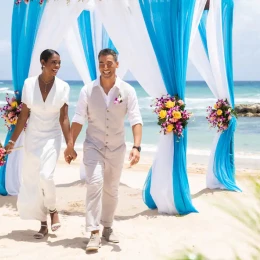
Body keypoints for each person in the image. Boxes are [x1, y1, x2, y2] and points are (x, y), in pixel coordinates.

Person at [64, 48, 143, 252]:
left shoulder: (128, 91)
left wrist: (136, 146)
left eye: (109, 63)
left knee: (112, 190)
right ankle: (93, 232)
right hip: (93, 145)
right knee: (95, 184)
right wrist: (71, 145)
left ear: (117, 64)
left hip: (117, 147)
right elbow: (79, 119)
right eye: (101, 63)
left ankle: (107, 226)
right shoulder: (87, 90)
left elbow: (136, 119)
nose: (105, 67)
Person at [5, 49, 71, 239]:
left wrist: (70, 144)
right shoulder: (29, 84)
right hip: (32, 137)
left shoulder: (64, 87)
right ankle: (43, 223)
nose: (57, 66)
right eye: (54, 62)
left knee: (46, 176)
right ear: (43, 62)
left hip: (52, 137)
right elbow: (24, 116)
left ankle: (53, 210)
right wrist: (11, 141)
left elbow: (64, 118)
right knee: (33, 180)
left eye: (59, 63)